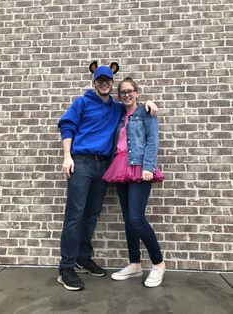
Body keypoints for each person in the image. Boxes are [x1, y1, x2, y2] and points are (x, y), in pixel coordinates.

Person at [57, 61, 158, 291]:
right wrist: (67, 156)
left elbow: (134, 108)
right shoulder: (82, 102)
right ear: (94, 82)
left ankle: (83, 257)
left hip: (103, 167)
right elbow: (67, 126)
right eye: (100, 80)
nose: (104, 83)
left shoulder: (116, 107)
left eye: (107, 80)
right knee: (75, 215)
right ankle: (66, 267)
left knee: (91, 215)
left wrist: (149, 103)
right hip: (81, 163)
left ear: (111, 84)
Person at [103, 77, 165, 288]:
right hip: (120, 167)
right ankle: (134, 264)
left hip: (139, 166)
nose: (127, 94)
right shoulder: (120, 115)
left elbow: (152, 140)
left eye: (130, 91)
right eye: (123, 92)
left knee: (137, 217)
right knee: (129, 219)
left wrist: (148, 167)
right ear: (120, 96)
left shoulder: (146, 112)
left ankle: (158, 263)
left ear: (137, 93)